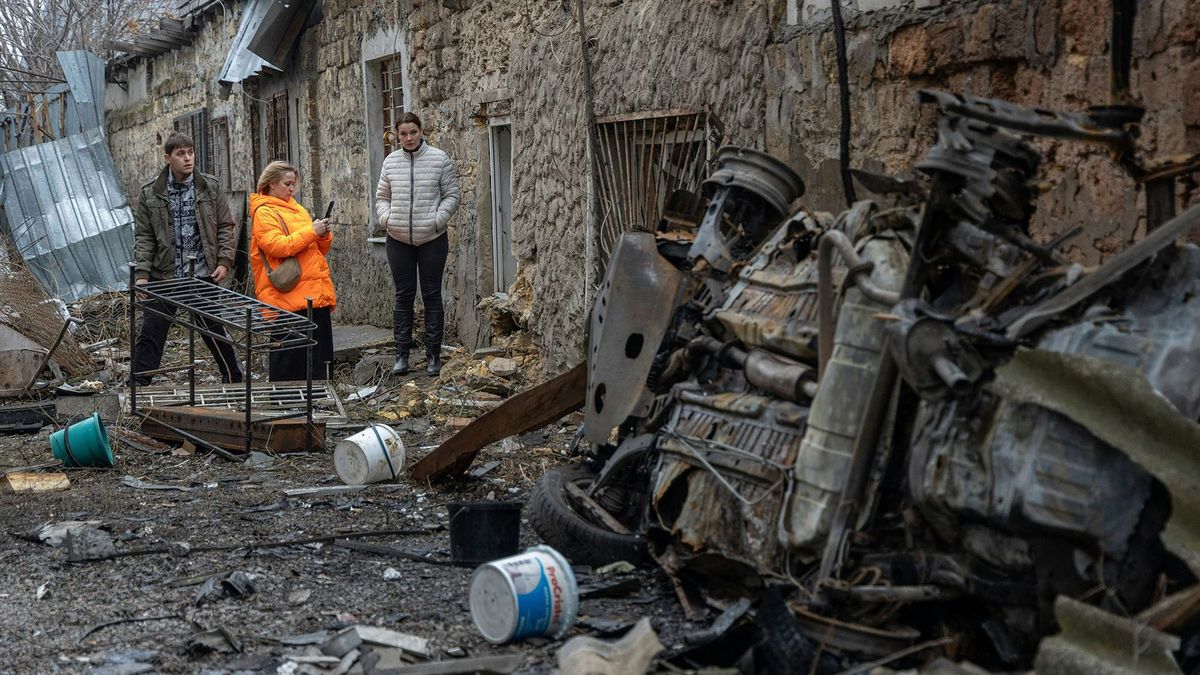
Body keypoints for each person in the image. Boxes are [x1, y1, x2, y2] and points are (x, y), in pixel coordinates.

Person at [131, 132, 243, 386]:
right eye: (181, 154)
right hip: (165, 274)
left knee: (213, 329)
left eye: (190, 152)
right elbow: (144, 237)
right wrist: (142, 274)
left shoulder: (209, 187)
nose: (187, 158)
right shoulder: (151, 193)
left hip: (202, 273)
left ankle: (234, 378)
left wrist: (225, 261)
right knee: (152, 329)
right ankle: (139, 383)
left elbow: (226, 226)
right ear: (167, 157)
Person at [374, 112, 461, 376]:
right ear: (397, 135)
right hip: (398, 239)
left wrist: (438, 220)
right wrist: (387, 219)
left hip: (432, 239)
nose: (409, 138)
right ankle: (401, 355)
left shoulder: (439, 159)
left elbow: (452, 195)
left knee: (432, 295)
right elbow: (381, 197)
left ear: (421, 131)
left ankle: (433, 355)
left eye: (413, 132)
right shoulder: (390, 162)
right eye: (403, 134)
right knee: (403, 296)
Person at [249, 161, 336, 381]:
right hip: (287, 294)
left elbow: (315, 250)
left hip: (313, 291)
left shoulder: (296, 208)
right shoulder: (264, 212)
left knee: (318, 355)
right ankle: (284, 405)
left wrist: (322, 234)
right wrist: (311, 231)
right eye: (287, 184)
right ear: (271, 184)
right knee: (289, 358)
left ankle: (317, 400)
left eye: (293, 184)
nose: (292, 189)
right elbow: (277, 246)